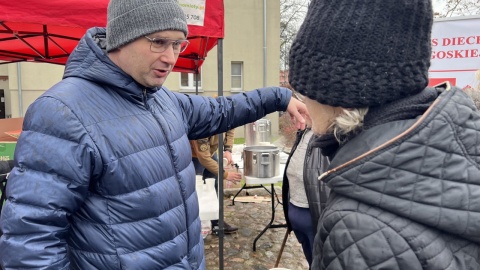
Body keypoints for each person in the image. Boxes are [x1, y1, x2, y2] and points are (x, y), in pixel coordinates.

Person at [0, 0, 308, 269]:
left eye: (178, 44)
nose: (171, 57)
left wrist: (278, 97)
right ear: (123, 37)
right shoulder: (62, 111)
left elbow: (222, 111)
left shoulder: (163, 100)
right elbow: (31, 238)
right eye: (159, 42)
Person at [288, 0, 480, 269]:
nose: (303, 103)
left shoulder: (358, 228)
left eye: (303, 92)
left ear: (338, 98)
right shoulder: (460, 140)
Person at [281, 123, 329, 269]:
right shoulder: (303, 132)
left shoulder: (326, 134)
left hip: (314, 219)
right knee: (310, 261)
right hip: (296, 214)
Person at [190, 129, 242, 234]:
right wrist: (226, 174)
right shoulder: (201, 126)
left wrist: (228, 149)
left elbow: (230, 126)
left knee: (214, 186)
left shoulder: (222, 114)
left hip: (210, 152)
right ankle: (193, 227)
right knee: (195, 192)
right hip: (194, 156)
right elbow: (203, 158)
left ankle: (216, 222)